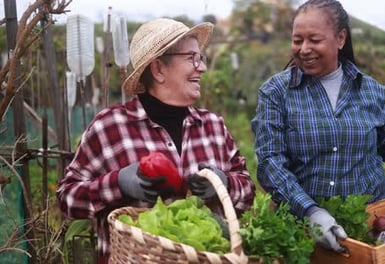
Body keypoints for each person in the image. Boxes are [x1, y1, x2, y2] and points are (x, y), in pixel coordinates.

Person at [251, 0, 385, 253]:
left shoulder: (368, 90)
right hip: (305, 232)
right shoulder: (276, 92)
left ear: (340, 39)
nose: (304, 49)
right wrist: (310, 210)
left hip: (370, 227)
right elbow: (270, 162)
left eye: (314, 40)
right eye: (297, 41)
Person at [57, 18, 255, 263]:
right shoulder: (110, 127)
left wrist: (225, 183)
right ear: (159, 68)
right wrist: (117, 183)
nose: (201, 67)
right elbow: (67, 199)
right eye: (191, 58)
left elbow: (247, 192)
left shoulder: (213, 126)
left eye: (200, 57)